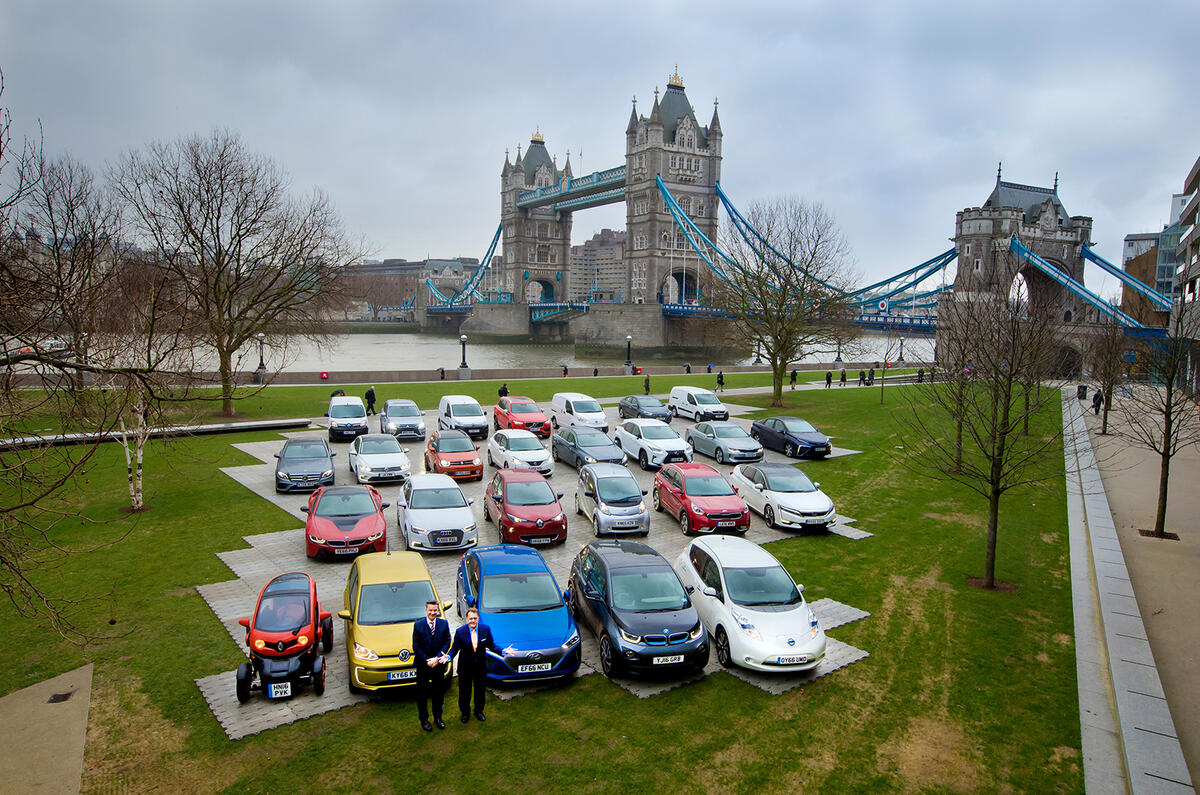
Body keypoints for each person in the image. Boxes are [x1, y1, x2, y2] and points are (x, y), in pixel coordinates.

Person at [450, 607, 515, 723]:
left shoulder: (485, 629)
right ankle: (465, 713)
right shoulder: (460, 632)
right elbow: (455, 648)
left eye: (475, 618)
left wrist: (504, 651)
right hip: (465, 668)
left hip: (480, 667)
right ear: (466, 619)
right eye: (470, 619)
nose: (472, 621)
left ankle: (478, 711)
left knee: (480, 691)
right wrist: (448, 657)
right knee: (465, 692)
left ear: (478, 619)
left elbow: (492, 646)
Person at [412, 600, 451, 731]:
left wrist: (437, 658)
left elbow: (447, 641)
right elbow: (416, 646)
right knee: (422, 694)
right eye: (430, 610)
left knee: (438, 693)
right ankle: (424, 720)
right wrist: (428, 660)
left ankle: (438, 718)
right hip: (423, 665)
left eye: (435, 610)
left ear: (438, 610)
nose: (433, 613)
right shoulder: (418, 626)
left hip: (438, 665)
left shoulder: (444, 624)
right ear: (426, 611)